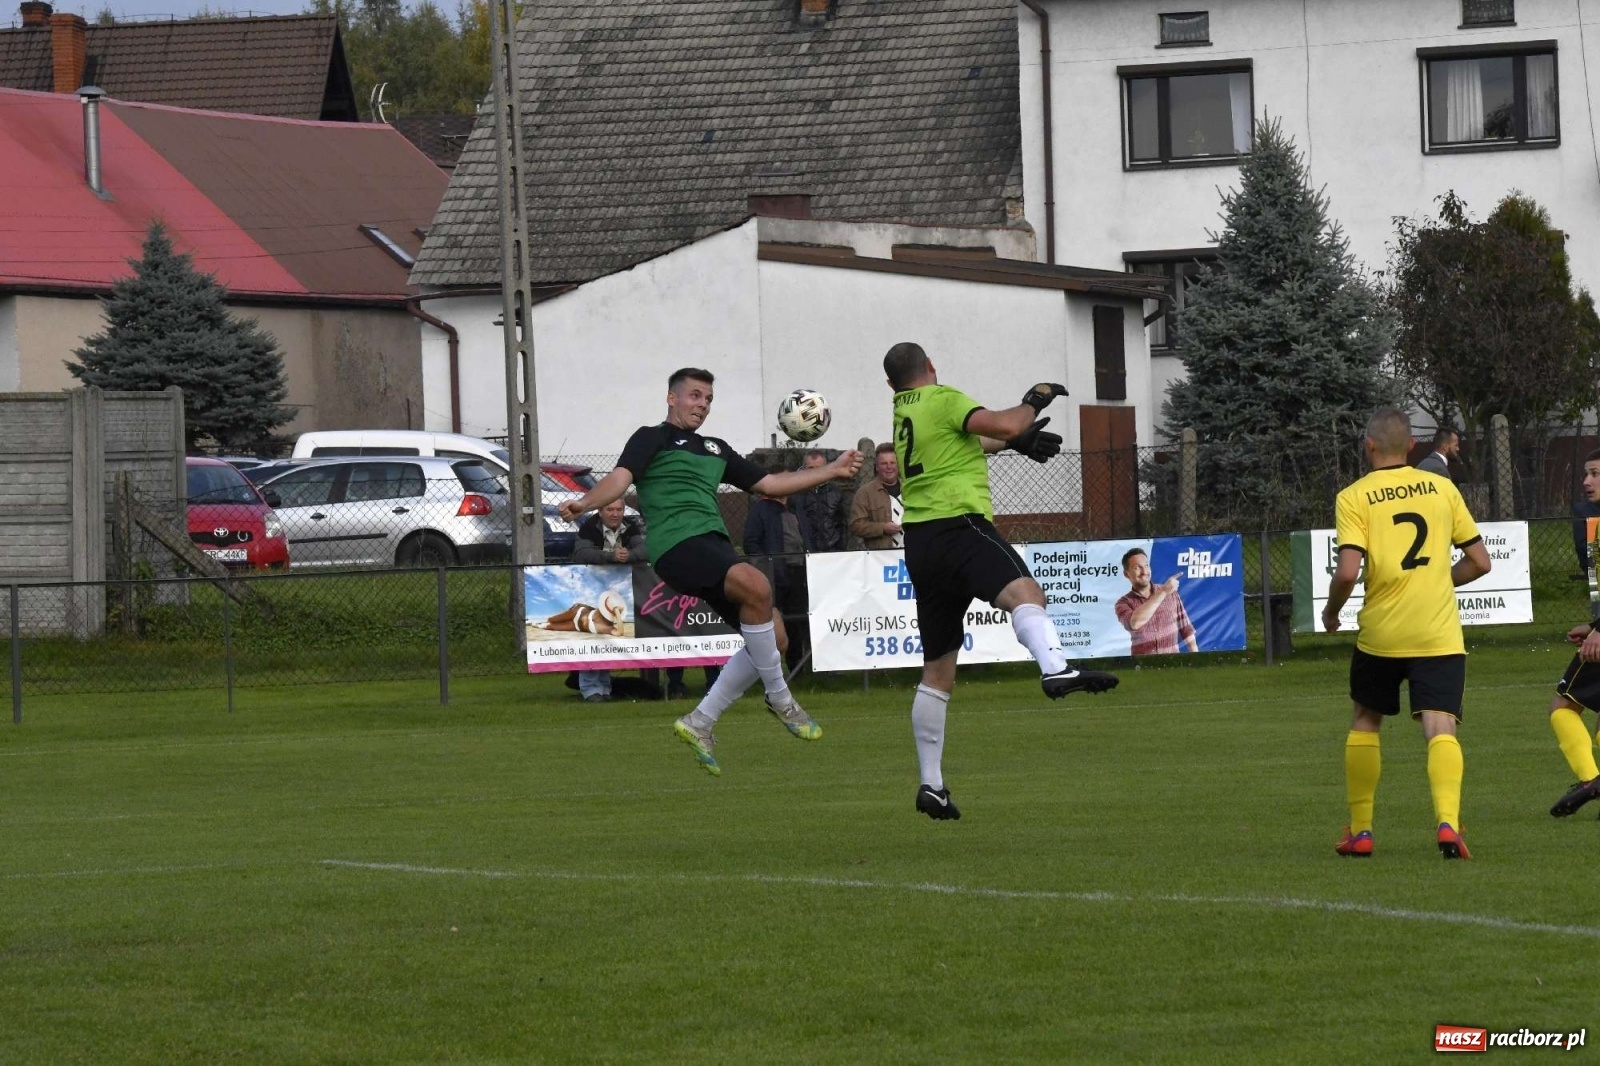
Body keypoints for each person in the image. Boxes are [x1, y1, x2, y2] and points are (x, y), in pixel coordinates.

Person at [557, 367, 863, 776]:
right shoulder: (652, 437)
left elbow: (770, 484)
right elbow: (619, 479)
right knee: (755, 584)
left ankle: (700, 721)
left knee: (774, 638)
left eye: (708, 400)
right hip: (677, 543)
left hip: (712, 543)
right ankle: (781, 698)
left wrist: (832, 470)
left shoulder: (716, 448)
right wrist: (585, 503)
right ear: (672, 398)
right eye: (695, 396)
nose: (702, 405)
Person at [880, 341, 1119, 822]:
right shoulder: (942, 397)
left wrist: (1015, 444)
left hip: (921, 544)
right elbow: (1005, 422)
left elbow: (971, 442)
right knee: (1026, 594)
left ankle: (931, 785)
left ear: (891, 382)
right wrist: (1035, 399)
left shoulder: (902, 411)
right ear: (931, 366)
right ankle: (1056, 669)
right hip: (960, 525)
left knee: (938, 672)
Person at [1322, 407, 1491, 860]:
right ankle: (1448, 825)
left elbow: (1347, 573)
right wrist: (1438, 581)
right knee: (1441, 727)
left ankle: (1360, 832)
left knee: (1365, 721)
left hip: (1381, 633)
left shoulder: (1354, 496)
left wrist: (1331, 612)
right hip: (1437, 632)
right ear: (1413, 447)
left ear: (1368, 446)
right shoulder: (1441, 488)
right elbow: (1480, 562)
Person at [1545, 449, 1600, 819]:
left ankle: (1591, 780)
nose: (1586, 481)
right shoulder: (1593, 520)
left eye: (1595, 473)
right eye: (1586, 473)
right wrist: (1592, 623)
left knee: (1563, 706)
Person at [568, 499, 648, 702]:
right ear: (600, 511)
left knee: (609, 639)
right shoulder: (588, 528)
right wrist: (610, 556)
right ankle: (589, 689)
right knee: (591, 638)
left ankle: (604, 687)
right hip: (591, 588)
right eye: (610, 509)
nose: (615, 514)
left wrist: (627, 555)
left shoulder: (630, 527)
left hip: (620, 592)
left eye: (619, 509)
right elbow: (580, 554)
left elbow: (645, 550)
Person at [743, 488, 809, 675]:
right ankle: (768, 670)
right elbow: (751, 543)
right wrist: (767, 565)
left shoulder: (795, 507)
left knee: (797, 622)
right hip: (773, 574)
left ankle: (798, 670)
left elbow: (806, 537)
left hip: (800, 572)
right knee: (770, 623)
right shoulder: (759, 510)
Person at [1114, 547, 1198, 654]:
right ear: (1126, 574)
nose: (1144, 571)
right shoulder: (1123, 603)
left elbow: (1186, 628)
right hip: (1141, 666)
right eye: (1137, 567)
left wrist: (1196, 656)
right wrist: (1163, 593)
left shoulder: (1170, 593)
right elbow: (1134, 623)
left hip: (1172, 664)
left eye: (1146, 566)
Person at [793, 450, 850, 552]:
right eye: (811, 468)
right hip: (804, 556)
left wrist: (840, 551)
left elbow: (843, 526)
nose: (815, 472)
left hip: (832, 553)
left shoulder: (836, 493)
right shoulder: (795, 494)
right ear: (804, 469)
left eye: (819, 468)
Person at [850, 443, 904, 549]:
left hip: (911, 553)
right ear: (877, 467)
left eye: (892, 463)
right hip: (880, 558)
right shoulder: (865, 493)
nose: (889, 467)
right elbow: (856, 525)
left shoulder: (910, 489)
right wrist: (882, 528)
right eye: (884, 463)